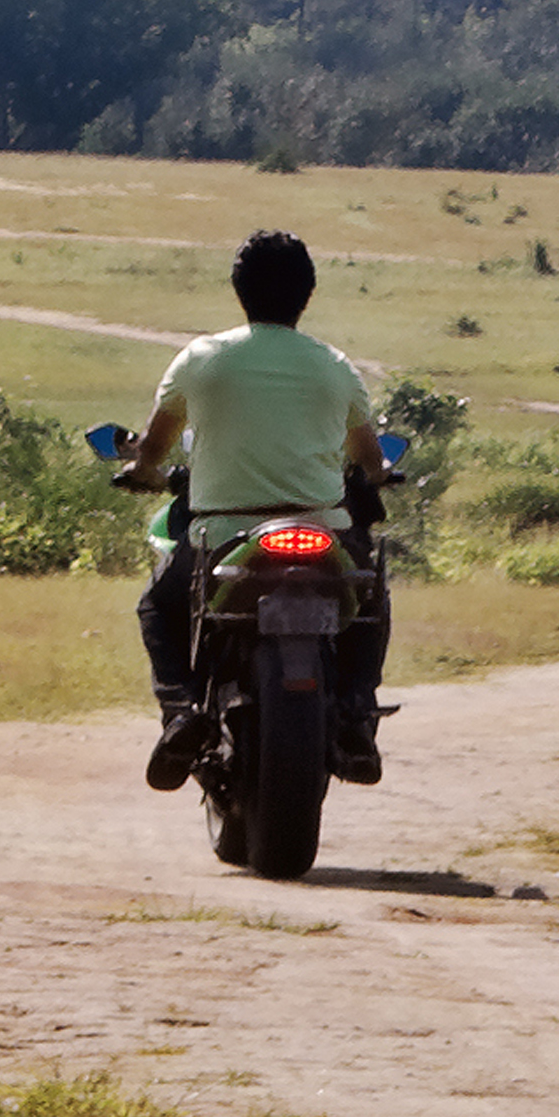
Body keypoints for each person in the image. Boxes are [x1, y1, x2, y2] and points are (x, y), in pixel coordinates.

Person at [117, 228, 392, 790]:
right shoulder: (335, 366)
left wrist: (142, 470)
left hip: (221, 537)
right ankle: (359, 714)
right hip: (324, 533)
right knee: (370, 601)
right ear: (307, 294)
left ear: (238, 289)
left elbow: (155, 447)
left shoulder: (201, 359)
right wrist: (381, 475)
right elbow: (369, 460)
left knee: (157, 606)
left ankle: (181, 714)